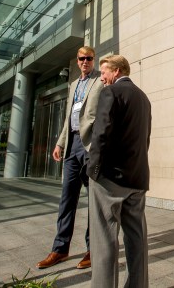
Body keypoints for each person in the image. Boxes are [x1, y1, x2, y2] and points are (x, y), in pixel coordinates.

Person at [87, 54, 152, 288]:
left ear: (116, 70)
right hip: (137, 178)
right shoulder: (144, 98)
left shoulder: (111, 92)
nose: (102, 77)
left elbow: (101, 134)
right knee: (137, 238)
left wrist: (92, 170)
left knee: (104, 239)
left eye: (104, 71)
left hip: (109, 180)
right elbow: (145, 139)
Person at [37, 46, 104, 270]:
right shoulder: (74, 84)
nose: (85, 61)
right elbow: (69, 118)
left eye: (89, 58)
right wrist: (60, 143)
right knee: (67, 199)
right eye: (81, 58)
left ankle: (93, 249)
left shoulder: (100, 81)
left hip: (89, 145)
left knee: (94, 199)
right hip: (72, 145)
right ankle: (60, 249)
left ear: (94, 60)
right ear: (77, 61)